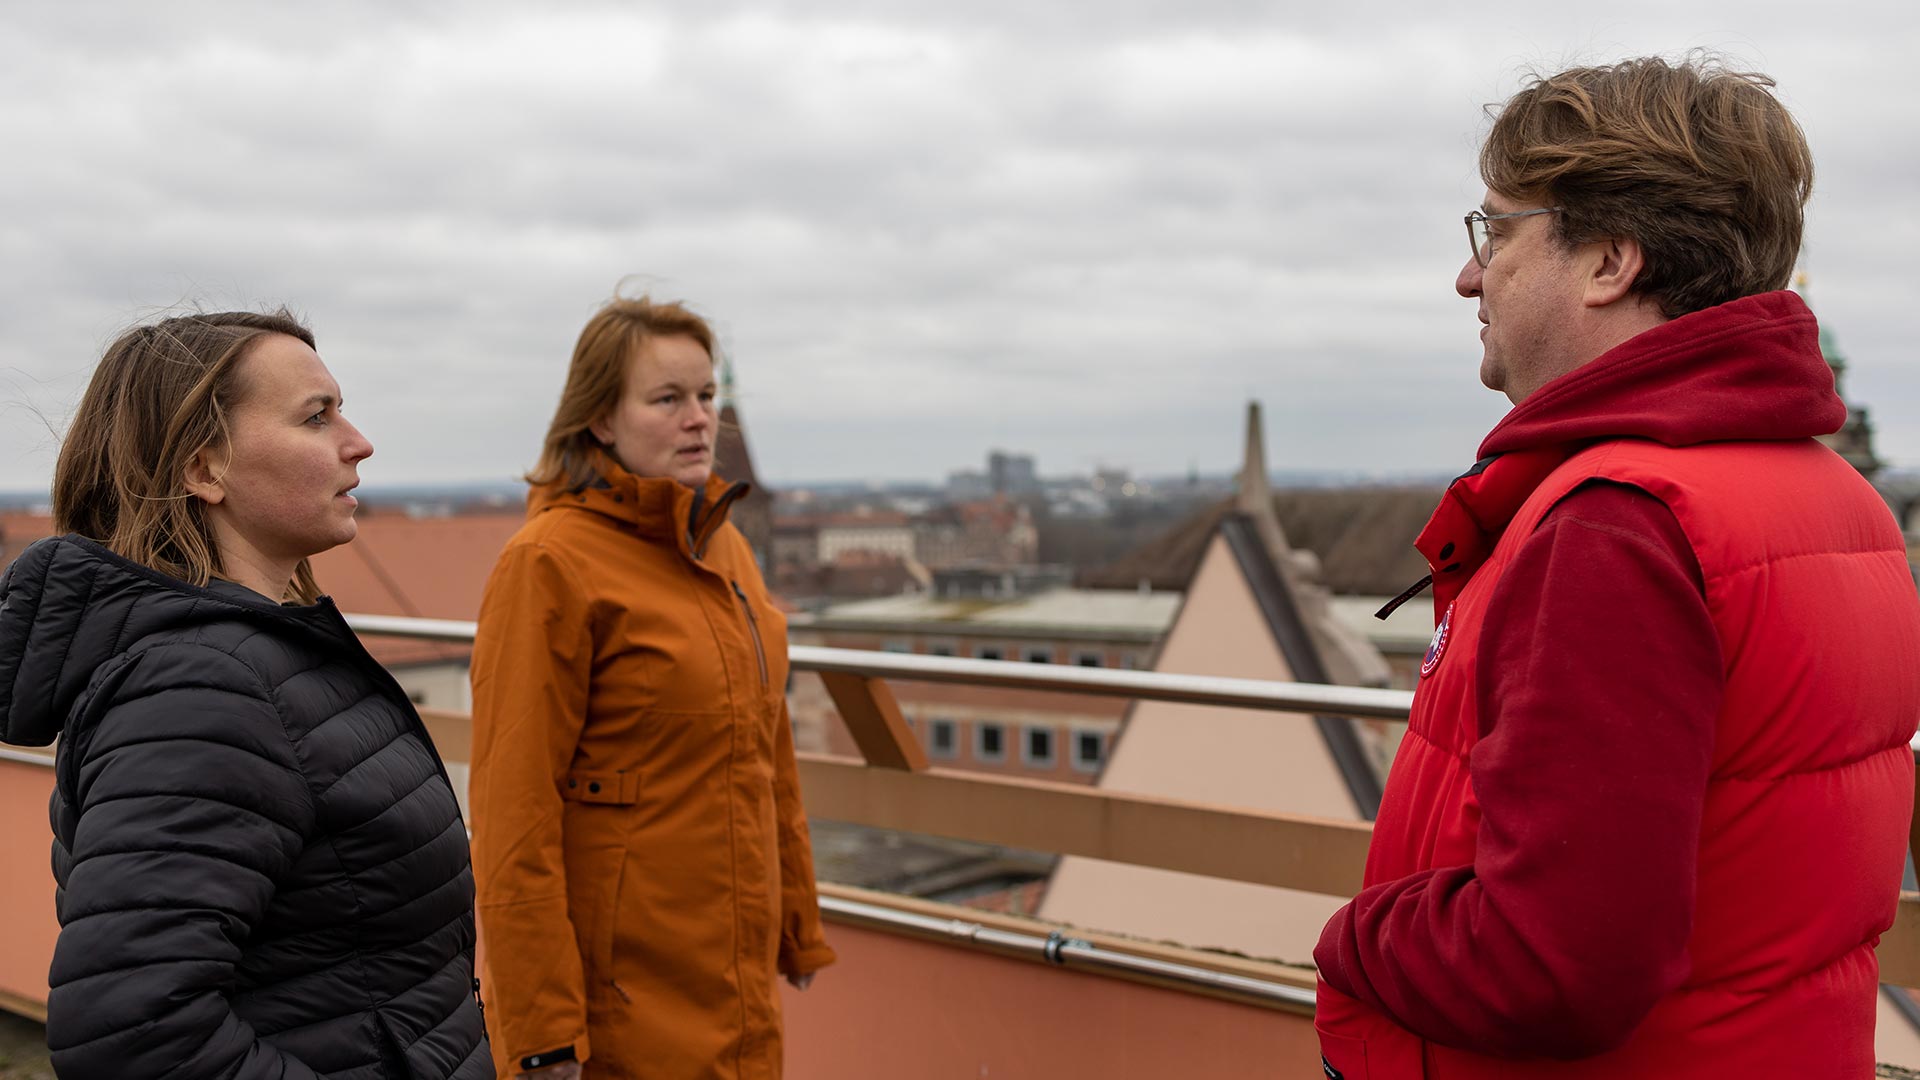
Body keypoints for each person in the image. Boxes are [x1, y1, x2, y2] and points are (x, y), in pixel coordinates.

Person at [1313, 56, 1920, 1077]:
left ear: (1610, 263)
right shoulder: (1835, 497)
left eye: (1497, 230)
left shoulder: (1617, 526)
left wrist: (1352, 941)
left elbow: (1555, 962)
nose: (1470, 273)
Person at [0, 310, 491, 1078]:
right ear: (203, 471)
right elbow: (131, 1035)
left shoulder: (254, 654)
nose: (358, 441)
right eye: (316, 416)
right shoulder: (201, 686)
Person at [470, 296, 835, 1080]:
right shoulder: (549, 563)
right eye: (667, 399)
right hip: (623, 994)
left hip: (733, 971)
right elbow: (514, 812)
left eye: (706, 397)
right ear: (600, 418)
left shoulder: (724, 546)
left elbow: (766, 752)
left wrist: (797, 918)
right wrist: (540, 1028)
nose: (699, 419)